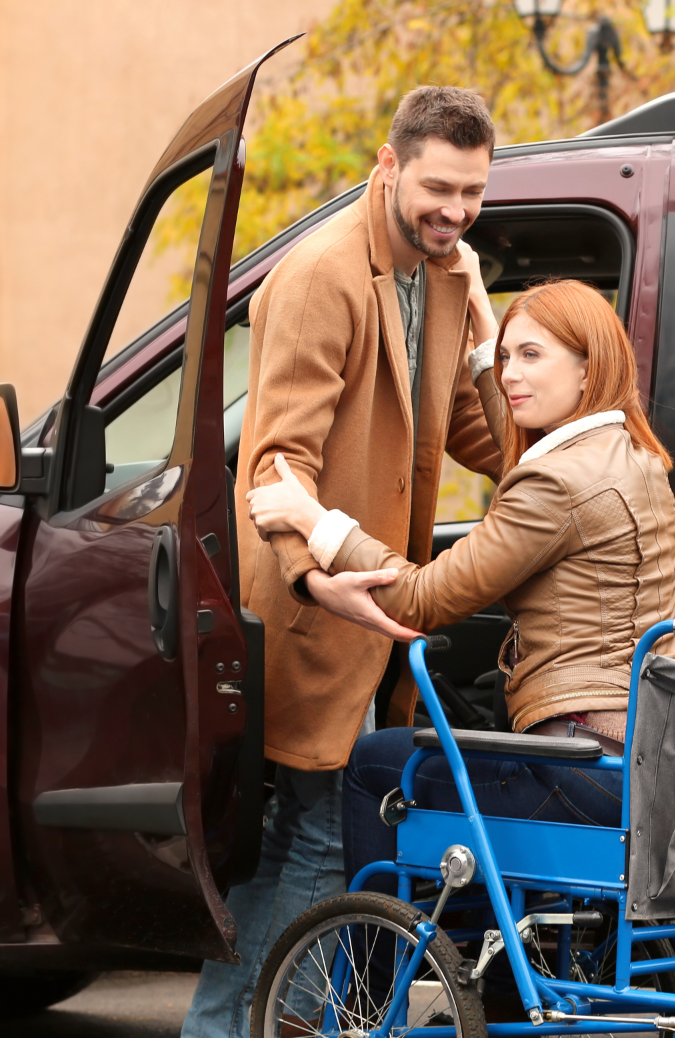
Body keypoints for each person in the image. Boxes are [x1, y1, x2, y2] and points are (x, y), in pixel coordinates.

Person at [182, 86, 505, 1038]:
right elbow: (279, 460)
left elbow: (495, 445)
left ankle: (230, 1026)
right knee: (325, 836)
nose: (456, 211)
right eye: (440, 188)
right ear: (389, 164)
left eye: (475, 193)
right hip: (321, 607)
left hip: (379, 611)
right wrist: (318, 573)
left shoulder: (446, 277)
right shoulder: (323, 272)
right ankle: (262, 1028)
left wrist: (488, 330)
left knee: (310, 835)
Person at [245, 278, 675, 893]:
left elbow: (420, 598)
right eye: (507, 357)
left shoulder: (555, 487)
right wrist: (482, 319)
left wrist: (312, 519)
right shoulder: (629, 456)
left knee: (378, 763)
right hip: (646, 760)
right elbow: (526, 458)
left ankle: (370, 982)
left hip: (579, 768)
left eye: (532, 356)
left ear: (589, 371)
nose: (510, 374)